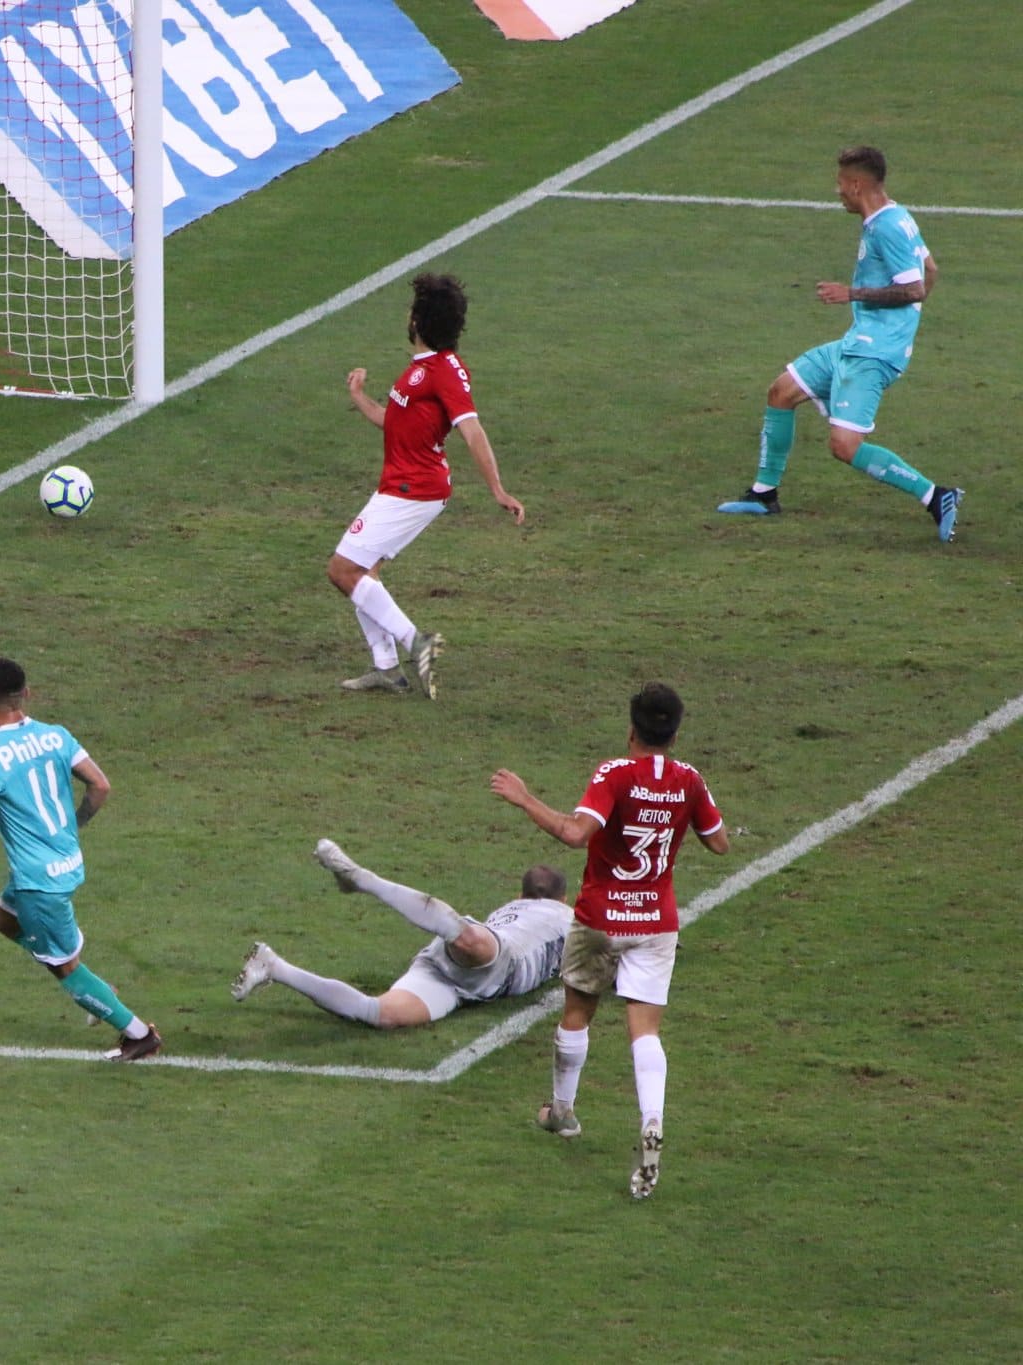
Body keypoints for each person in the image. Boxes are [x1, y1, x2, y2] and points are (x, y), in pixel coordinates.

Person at [490, 682, 730, 1200]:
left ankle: (563, 1113)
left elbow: (575, 834)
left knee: (578, 1013)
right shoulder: (691, 779)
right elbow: (720, 843)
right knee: (645, 1031)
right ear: (675, 731)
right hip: (656, 922)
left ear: (631, 728)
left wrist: (525, 798)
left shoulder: (614, 773)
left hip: (601, 917)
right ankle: (651, 1120)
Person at [716, 145, 962, 541]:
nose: (837, 192)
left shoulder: (886, 227)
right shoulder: (897, 216)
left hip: (872, 354)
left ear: (856, 184)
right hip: (858, 343)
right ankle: (764, 495)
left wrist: (853, 294)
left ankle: (936, 495)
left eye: (840, 184)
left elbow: (915, 288)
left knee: (845, 445)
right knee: (782, 391)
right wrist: (904, 326)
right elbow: (931, 269)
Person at [0, 657, 162, 1061]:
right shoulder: (56, 736)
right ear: (27, 693)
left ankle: (139, 1035)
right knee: (4, 921)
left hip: (39, 883)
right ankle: (97, 988)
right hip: (64, 863)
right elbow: (100, 786)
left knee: (66, 970)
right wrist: (73, 826)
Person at [332, 272, 525, 700]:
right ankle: (386, 670)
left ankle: (415, 642)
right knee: (365, 576)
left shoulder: (443, 373)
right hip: (403, 485)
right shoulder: (425, 369)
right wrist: (360, 397)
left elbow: (472, 430)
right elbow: (395, 423)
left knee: (342, 570)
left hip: (413, 489)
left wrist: (498, 490)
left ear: (419, 322)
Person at [230, 840, 571, 1029]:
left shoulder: (510, 908)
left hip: (453, 981)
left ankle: (273, 967)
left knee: (380, 1015)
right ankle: (361, 879)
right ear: (564, 899)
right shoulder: (570, 916)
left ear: (518, 895)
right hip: (502, 958)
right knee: (469, 940)